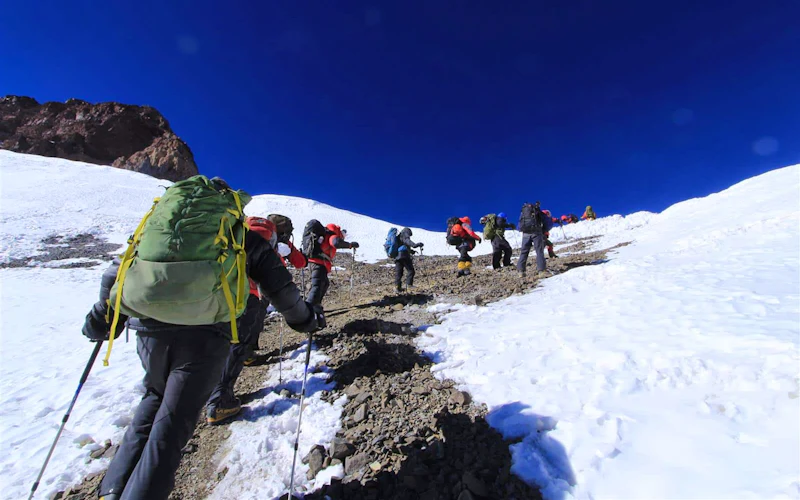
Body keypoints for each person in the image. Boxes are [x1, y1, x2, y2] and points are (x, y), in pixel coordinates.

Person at [81, 176, 321, 500]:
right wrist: (306, 320)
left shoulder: (159, 230)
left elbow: (118, 271)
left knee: (152, 399)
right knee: (172, 427)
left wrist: (103, 320)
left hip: (151, 331)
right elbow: (281, 290)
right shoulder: (241, 237)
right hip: (206, 336)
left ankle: (111, 491)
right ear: (231, 206)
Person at [206, 216, 308, 424]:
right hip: (255, 289)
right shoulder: (277, 242)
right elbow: (300, 263)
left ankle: (210, 384)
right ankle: (219, 401)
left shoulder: (242, 229)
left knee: (225, 335)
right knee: (243, 334)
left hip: (222, 289)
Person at [306, 223, 359, 306]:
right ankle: (308, 308)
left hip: (314, 262)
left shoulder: (325, 234)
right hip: (319, 263)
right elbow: (336, 243)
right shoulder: (332, 235)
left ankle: (316, 306)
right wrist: (350, 245)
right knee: (317, 286)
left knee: (325, 283)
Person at [515, 201, 550, 278]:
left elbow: (519, 226)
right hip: (536, 232)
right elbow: (548, 222)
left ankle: (521, 271)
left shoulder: (523, 214)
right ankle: (542, 271)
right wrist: (544, 230)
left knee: (524, 252)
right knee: (539, 251)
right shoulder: (538, 212)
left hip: (525, 234)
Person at [394, 227, 424, 292]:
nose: (409, 236)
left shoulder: (398, 237)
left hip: (397, 257)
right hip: (404, 256)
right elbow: (408, 242)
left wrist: (411, 251)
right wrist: (416, 245)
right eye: (409, 234)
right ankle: (409, 285)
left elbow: (404, 246)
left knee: (399, 273)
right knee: (411, 271)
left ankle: (397, 287)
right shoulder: (404, 235)